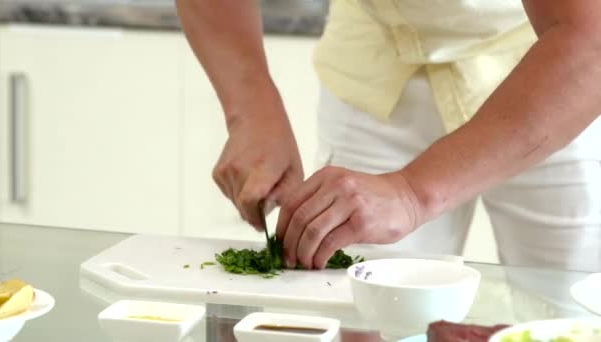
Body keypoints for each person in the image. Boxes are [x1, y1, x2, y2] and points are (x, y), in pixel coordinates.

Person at [176, 0, 601, 273]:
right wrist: (251, 108)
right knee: (362, 307)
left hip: (551, 70)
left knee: (570, 309)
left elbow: (591, 42)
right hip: (380, 57)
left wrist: (411, 193)